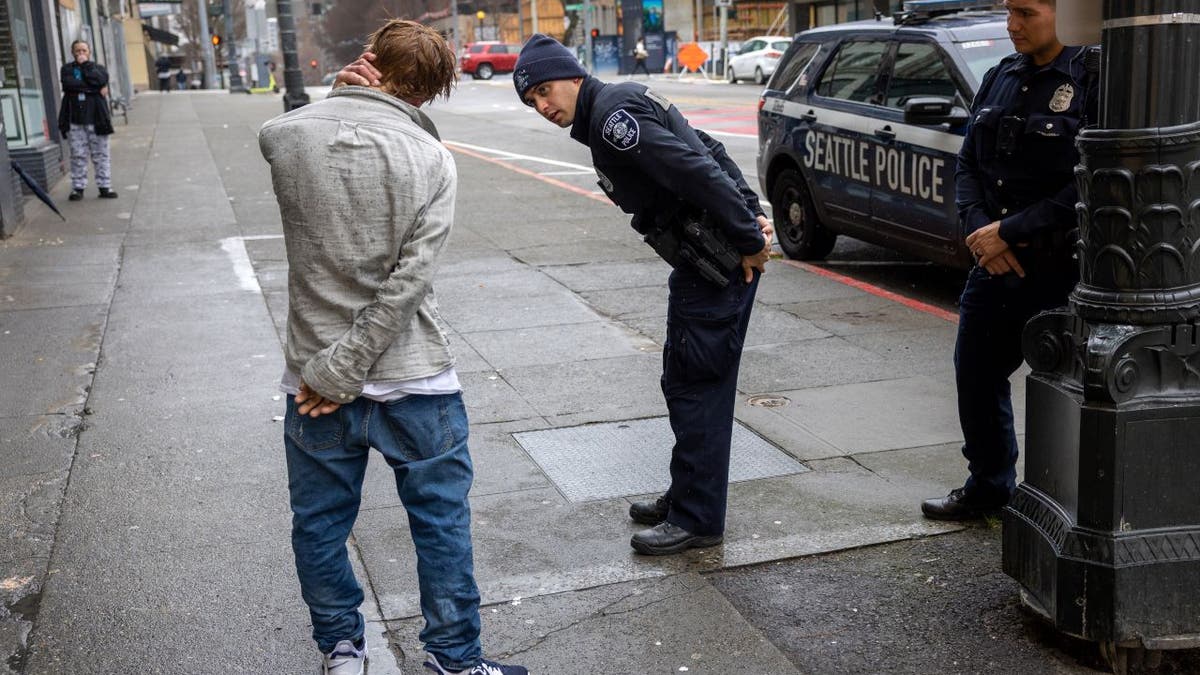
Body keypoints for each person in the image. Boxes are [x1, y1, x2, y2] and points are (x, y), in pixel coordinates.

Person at [340, 34, 773, 556]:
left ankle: (698, 518)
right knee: (685, 381)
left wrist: (751, 236)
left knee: (695, 387)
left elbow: (697, 169)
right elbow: (706, 147)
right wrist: (752, 212)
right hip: (709, 261)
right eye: (532, 100)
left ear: (574, 76)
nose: (544, 106)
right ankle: (689, 494)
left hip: (716, 266)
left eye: (546, 90)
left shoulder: (614, 121)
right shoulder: (613, 109)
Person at [259, 20, 527, 675]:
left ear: (367, 61)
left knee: (320, 522)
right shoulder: (432, 158)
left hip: (314, 384)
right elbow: (408, 282)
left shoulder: (290, 136)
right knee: (440, 522)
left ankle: (343, 651)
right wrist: (347, 368)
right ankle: (455, 658)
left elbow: (279, 134)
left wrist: (334, 93)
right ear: (429, 91)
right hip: (414, 379)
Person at [921, 0, 1097, 521]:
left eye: (1025, 12)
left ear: (1062, 12)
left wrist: (1011, 232)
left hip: (1059, 266)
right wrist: (980, 231)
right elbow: (969, 161)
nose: (1011, 25)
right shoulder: (1001, 75)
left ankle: (1069, 502)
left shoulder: (1093, 76)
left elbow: (1091, 179)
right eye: (1008, 12)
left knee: (1070, 388)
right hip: (994, 264)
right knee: (974, 373)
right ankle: (990, 485)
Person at [58, 40, 117, 201]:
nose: (81, 53)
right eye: (78, 51)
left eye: (84, 50)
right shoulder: (67, 69)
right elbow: (69, 85)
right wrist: (94, 88)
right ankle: (78, 188)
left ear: (89, 52)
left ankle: (105, 186)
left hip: (97, 119)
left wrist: (86, 67)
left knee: (101, 154)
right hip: (75, 120)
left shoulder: (98, 68)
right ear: (73, 53)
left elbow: (99, 79)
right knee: (77, 155)